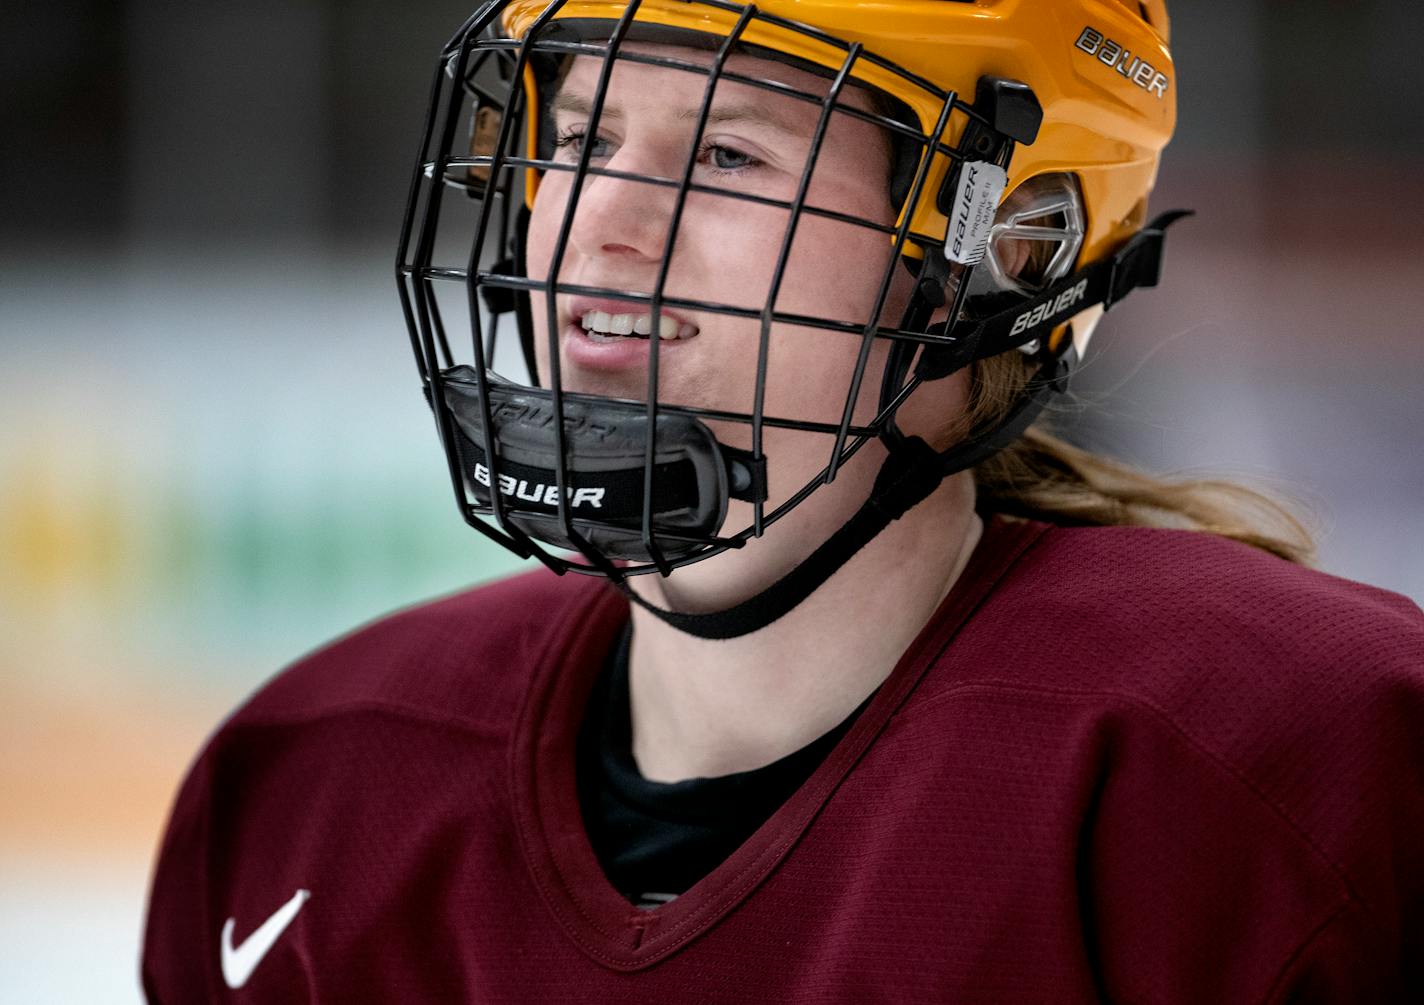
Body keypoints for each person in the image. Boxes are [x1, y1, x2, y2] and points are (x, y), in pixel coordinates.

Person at [143, 1, 1424, 1001]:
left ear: (1004, 248)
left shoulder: (1288, 772)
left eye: (726, 153)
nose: (601, 226)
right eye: (582, 138)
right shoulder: (310, 784)